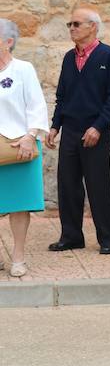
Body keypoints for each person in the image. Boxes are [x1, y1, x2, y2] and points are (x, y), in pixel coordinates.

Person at [46, 8, 110, 255]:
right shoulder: (69, 58)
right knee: (67, 185)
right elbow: (62, 96)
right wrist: (55, 126)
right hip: (70, 130)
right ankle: (71, 236)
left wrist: (98, 127)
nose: (71, 28)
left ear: (93, 26)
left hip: (96, 132)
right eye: (69, 24)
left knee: (98, 185)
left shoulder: (109, 56)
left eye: (76, 24)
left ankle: (106, 239)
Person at [0, 19, 49, 277]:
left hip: (21, 145)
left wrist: (31, 136)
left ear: (8, 42)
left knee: (18, 205)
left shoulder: (23, 69)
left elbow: (37, 105)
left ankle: (18, 257)